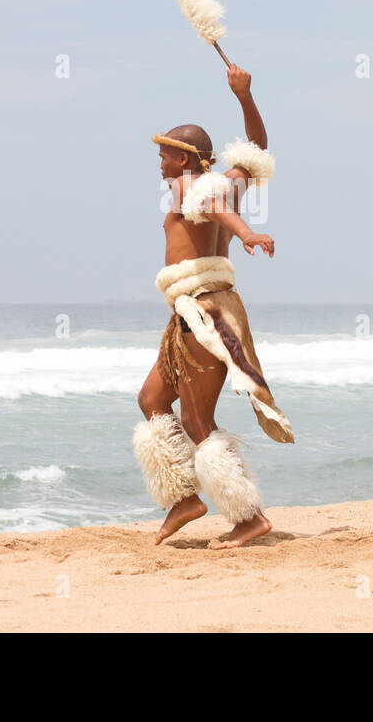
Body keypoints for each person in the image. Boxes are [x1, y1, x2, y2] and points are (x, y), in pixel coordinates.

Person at [132, 64, 292, 549]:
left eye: (164, 157)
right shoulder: (224, 183)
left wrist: (246, 235)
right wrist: (245, 96)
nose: (159, 165)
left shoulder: (193, 189)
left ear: (183, 160)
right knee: (153, 401)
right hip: (196, 311)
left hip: (205, 313)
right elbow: (257, 151)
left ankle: (249, 517)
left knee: (199, 420)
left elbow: (218, 209)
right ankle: (184, 498)